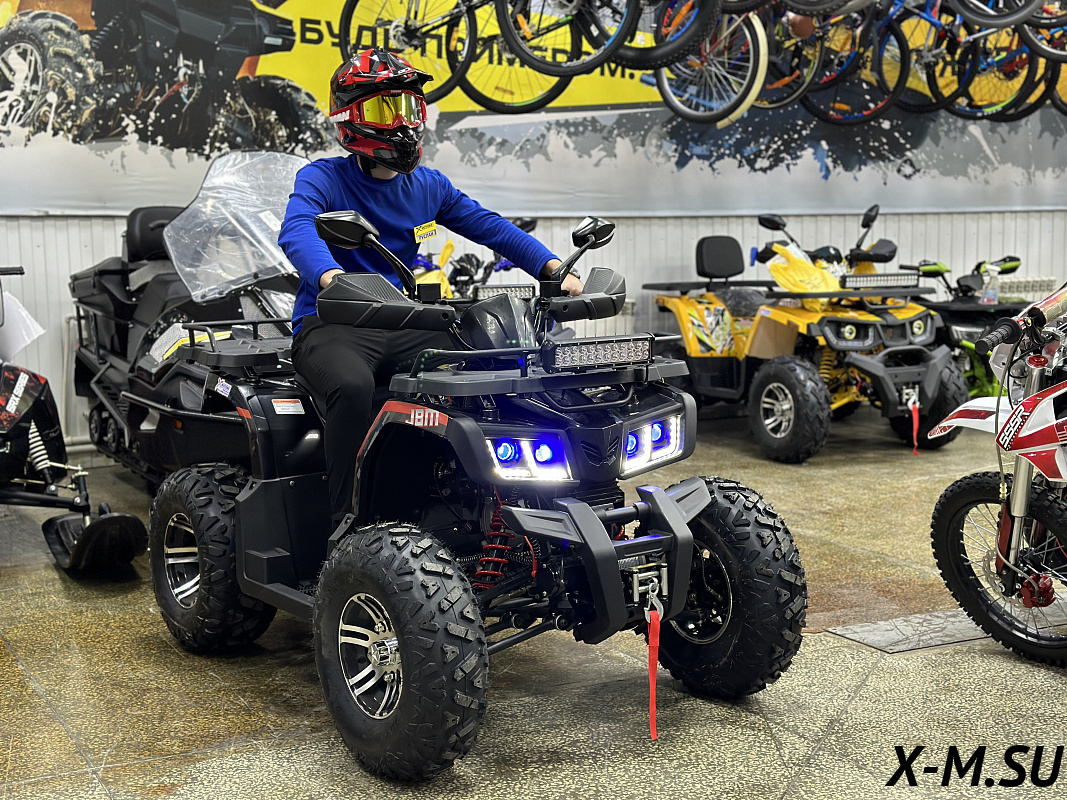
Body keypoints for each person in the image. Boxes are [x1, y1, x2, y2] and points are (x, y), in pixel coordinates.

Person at [279, 48, 583, 525]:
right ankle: (347, 521)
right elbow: (297, 229)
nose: (402, 122)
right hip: (332, 323)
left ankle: (501, 498)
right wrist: (332, 278)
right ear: (350, 119)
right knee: (353, 387)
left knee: (496, 354)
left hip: (399, 318)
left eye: (410, 108)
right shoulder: (323, 177)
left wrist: (551, 266)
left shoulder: (429, 185)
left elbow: (490, 226)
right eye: (385, 109)